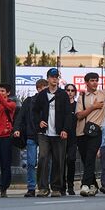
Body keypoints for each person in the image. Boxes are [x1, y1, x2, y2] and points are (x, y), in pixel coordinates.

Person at [31, 68, 72, 197]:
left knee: (58, 160)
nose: (55, 79)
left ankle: (56, 187)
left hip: (59, 133)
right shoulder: (42, 95)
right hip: (44, 133)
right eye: (52, 77)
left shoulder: (63, 95)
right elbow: (34, 111)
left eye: (56, 77)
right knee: (43, 158)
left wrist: (65, 129)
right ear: (48, 79)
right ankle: (43, 187)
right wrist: (39, 122)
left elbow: (68, 114)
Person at [75, 73, 105, 197]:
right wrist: (93, 107)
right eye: (92, 80)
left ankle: (85, 185)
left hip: (95, 132)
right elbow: (79, 115)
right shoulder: (82, 97)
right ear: (86, 82)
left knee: (90, 157)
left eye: (96, 80)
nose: (95, 83)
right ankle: (94, 185)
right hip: (81, 132)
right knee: (85, 159)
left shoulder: (102, 94)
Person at [14, 79, 47, 197]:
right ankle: (31, 187)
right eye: (43, 88)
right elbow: (21, 116)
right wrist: (17, 129)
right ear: (38, 89)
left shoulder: (50, 101)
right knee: (31, 163)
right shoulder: (29, 101)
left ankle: (45, 186)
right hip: (31, 134)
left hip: (45, 135)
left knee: (45, 162)